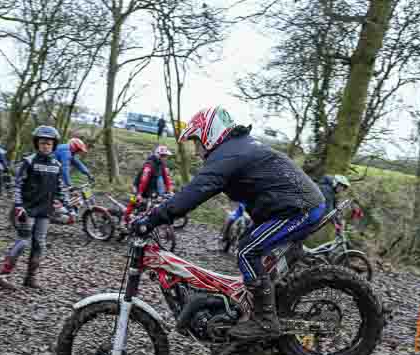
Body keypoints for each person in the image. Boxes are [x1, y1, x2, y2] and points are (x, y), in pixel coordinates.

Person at [132, 105, 326, 340]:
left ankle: (265, 321)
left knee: (247, 251)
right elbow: (195, 190)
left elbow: (196, 191)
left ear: (209, 134)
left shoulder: (229, 154)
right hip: (294, 206)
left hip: (300, 209)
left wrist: (151, 220)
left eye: (196, 143)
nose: (196, 151)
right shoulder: (236, 148)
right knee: (249, 243)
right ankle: (263, 303)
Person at [0, 126, 65, 290]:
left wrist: (63, 202)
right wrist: (18, 205)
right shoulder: (29, 161)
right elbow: (17, 185)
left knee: (39, 244)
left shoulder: (56, 164)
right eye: (42, 143)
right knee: (23, 242)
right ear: (37, 144)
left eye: (48, 143)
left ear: (54, 145)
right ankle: (3, 274)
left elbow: (60, 187)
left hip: (45, 210)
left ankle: (30, 278)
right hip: (27, 208)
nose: (45, 146)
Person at [122, 145, 174, 226]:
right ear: (158, 155)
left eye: (166, 156)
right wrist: (139, 193)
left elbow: (166, 178)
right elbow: (144, 180)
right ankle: (124, 220)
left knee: (151, 205)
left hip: (150, 188)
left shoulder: (161, 164)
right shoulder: (149, 165)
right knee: (133, 202)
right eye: (163, 156)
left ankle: (142, 219)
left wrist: (170, 189)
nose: (165, 158)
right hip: (139, 186)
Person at [53, 137, 94, 216]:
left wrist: (88, 174)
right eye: (78, 150)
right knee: (63, 191)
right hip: (51, 173)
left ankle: (69, 211)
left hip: (55, 172)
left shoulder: (70, 152)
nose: (78, 152)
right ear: (74, 147)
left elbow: (78, 164)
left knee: (71, 193)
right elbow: (65, 169)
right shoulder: (65, 151)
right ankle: (60, 212)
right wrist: (69, 185)